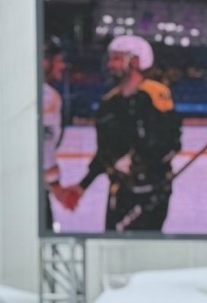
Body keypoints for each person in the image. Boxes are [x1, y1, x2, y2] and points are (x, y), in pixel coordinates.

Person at [60, 35, 181, 232]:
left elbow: (169, 142)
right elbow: (105, 153)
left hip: (151, 193)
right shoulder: (108, 104)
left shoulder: (155, 94)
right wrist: (83, 186)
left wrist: (137, 163)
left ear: (135, 61)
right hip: (120, 192)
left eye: (116, 58)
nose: (110, 65)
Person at [42, 36, 69, 232]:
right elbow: (45, 147)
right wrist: (56, 185)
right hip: (30, 188)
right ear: (44, 61)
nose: (62, 66)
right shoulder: (47, 96)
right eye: (59, 61)